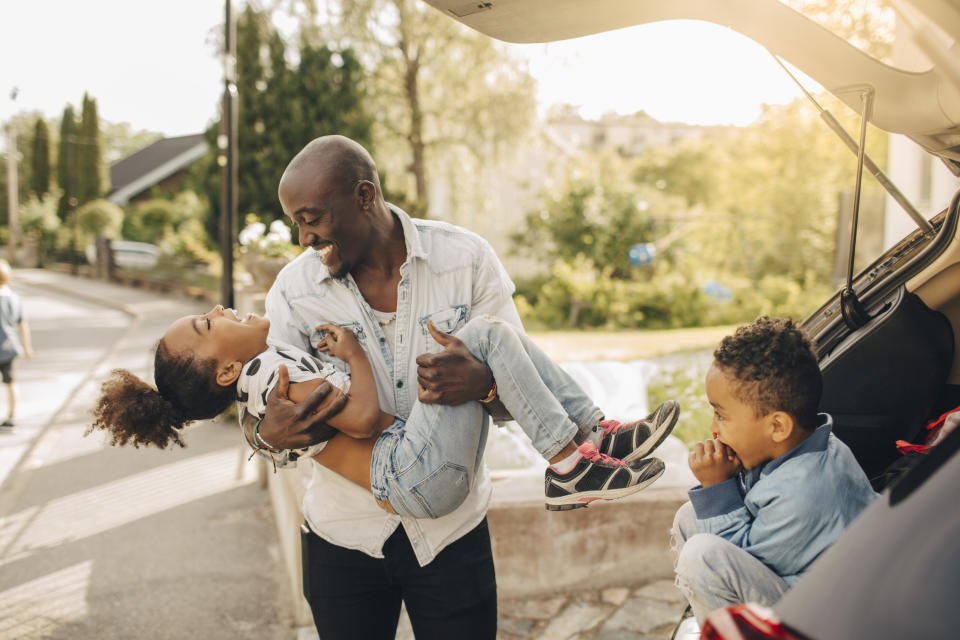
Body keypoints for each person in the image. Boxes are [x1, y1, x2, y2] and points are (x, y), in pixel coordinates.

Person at [232, 135, 681, 639]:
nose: (303, 240)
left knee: (494, 339)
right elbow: (264, 405)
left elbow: (519, 388)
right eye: (297, 222)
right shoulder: (293, 292)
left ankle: (591, 440)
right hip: (343, 538)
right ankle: (585, 449)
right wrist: (261, 435)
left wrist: (484, 386)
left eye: (311, 219)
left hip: (451, 538)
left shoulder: (466, 259)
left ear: (363, 196)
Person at [89, 305, 677, 518]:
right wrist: (353, 355)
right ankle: (572, 463)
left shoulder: (266, 368)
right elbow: (364, 421)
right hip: (410, 474)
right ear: (223, 371)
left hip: (415, 465)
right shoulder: (272, 380)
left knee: (491, 335)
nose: (217, 307)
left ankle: (596, 436)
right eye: (205, 324)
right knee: (488, 336)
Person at [670, 316, 877, 625]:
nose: (713, 428)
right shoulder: (797, 446)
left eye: (721, 416)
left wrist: (717, 488)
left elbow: (740, 557)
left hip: (829, 617)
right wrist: (730, 475)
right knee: (690, 516)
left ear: (777, 426)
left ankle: (725, 630)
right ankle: (708, 621)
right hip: (802, 583)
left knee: (703, 557)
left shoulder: (805, 493)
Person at [0, 260, 33, 428]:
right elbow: (23, 325)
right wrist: (27, 347)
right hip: (11, 349)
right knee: (11, 383)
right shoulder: (14, 299)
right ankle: (12, 415)